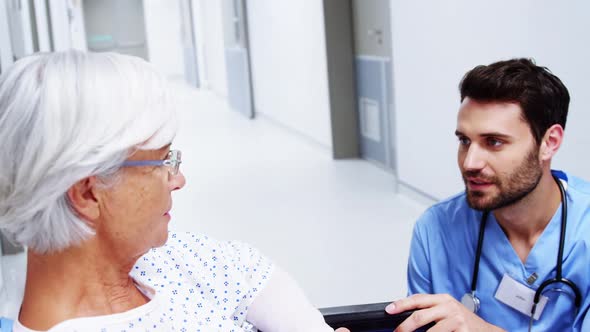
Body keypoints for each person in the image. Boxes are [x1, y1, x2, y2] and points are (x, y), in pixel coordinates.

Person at [0, 51, 348, 332]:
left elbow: (249, 272)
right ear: (88, 193)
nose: (178, 180)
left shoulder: (161, 259)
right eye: (162, 161)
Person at [386, 59, 590, 331]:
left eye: (494, 142)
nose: (470, 162)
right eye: (464, 141)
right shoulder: (436, 230)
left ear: (549, 143)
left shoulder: (583, 232)